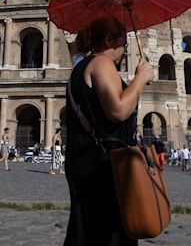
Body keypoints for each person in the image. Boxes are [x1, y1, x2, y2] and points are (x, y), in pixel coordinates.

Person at [64, 17, 154, 246]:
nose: (124, 51)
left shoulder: (80, 68)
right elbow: (118, 110)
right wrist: (140, 79)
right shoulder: (102, 63)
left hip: (85, 158)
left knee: (87, 229)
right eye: (123, 44)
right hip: (104, 163)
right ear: (108, 40)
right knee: (110, 232)